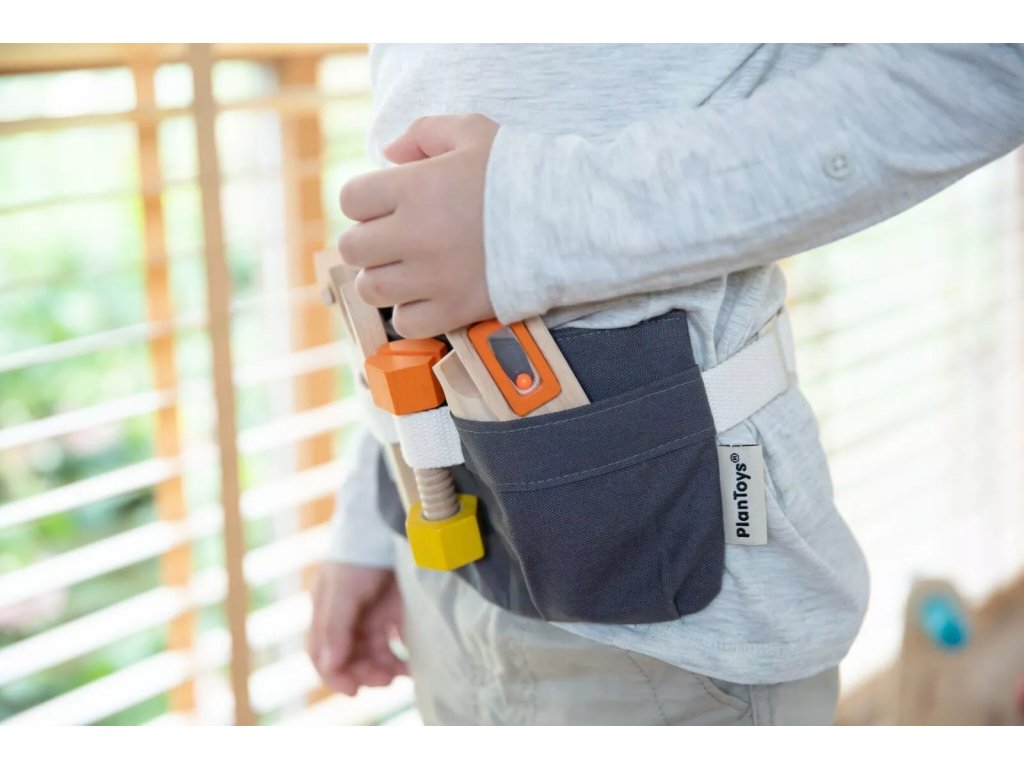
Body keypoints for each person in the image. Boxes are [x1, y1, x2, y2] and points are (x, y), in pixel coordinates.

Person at [306, 44, 1024, 725]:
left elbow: (990, 66)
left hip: (674, 633)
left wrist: (542, 219)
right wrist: (371, 508)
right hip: (439, 564)